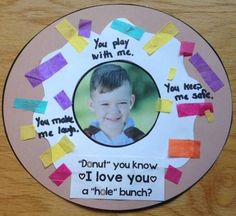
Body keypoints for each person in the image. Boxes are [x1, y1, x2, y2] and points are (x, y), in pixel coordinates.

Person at [84, 63, 145, 146]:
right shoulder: (84, 137)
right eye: (105, 104)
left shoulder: (140, 138)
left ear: (130, 102)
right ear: (91, 105)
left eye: (121, 103)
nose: (114, 111)